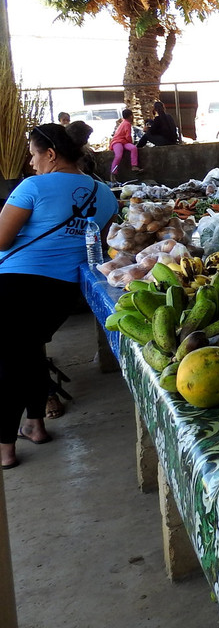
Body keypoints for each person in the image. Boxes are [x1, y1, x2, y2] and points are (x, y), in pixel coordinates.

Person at [0, 124, 118, 469]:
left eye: (35, 154)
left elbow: (2, 240)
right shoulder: (105, 193)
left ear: (50, 154)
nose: (32, 163)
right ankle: (35, 424)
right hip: (64, 292)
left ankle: (4, 447)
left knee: (8, 364)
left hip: (16, 285)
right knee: (30, 349)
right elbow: (97, 245)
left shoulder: (33, 186)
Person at [109, 109, 141, 181]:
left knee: (133, 148)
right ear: (130, 116)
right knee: (118, 155)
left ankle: (134, 166)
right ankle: (113, 172)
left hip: (123, 142)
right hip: (117, 142)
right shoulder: (127, 124)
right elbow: (128, 136)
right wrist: (130, 142)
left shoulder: (124, 122)